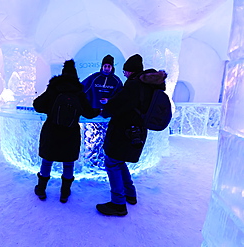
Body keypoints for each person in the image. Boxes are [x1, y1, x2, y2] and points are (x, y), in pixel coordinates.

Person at [96, 54, 167, 216]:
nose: (125, 74)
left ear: (131, 71)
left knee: (112, 162)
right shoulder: (149, 85)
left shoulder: (134, 86)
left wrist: (105, 110)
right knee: (119, 161)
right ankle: (130, 193)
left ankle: (118, 204)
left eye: (126, 71)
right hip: (137, 130)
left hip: (124, 131)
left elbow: (117, 104)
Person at [33, 59, 101, 203]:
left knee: (47, 161)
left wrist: (49, 108)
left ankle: (41, 189)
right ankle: (64, 193)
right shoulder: (79, 92)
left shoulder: (53, 88)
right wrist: (100, 110)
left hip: (51, 131)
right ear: (76, 76)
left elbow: (38, 105)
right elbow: (89, 113)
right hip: (70, 133)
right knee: (68, 163)